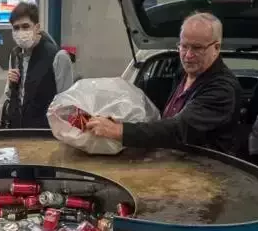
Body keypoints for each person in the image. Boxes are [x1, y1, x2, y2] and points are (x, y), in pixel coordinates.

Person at [87, 12, 241, 153]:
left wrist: (119, 130)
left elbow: (179, 130)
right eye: (184, 46)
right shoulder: (183, 72)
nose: (188, 55)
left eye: (197, 48)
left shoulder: (222, 89)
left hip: (206, 172)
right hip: (171, 160)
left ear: (216, 48)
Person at [1, 2, 74, 129]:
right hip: (17, 131)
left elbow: (67, 105)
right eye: (16, 28)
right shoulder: (15, 54)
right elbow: (9, 94)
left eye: (25, 26)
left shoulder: (58, 57)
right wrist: (11, 81)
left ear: (37, 27)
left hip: (44, 133)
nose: (20, 32)